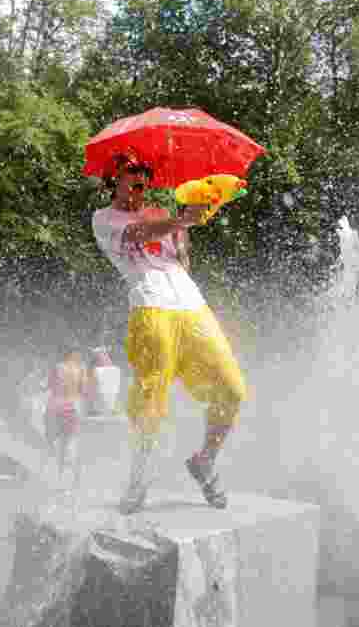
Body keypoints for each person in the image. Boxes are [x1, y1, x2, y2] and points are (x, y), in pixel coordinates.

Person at [91, 150, 249, 514]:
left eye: (146, 170)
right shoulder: (103, 218)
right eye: (133, 169)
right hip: (149, 307)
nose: (141, 175)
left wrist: (191, 221)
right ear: (114, 177)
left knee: (232, 389)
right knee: (151, 400)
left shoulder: (163, 212)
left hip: (192, 305)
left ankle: (204, 461)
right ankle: (139, 478)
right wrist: (180, 222)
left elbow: (180, 258)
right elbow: (136, 234)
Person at [44, 345, 87, 488]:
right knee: (70, 443)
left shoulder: (57, 367)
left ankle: (55, 479)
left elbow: (49, 386)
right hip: (71, 408)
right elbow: (84, 390)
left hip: (55, 407)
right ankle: (70, 483)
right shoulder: (80, 369)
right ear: (74, 354)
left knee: (55, 444)